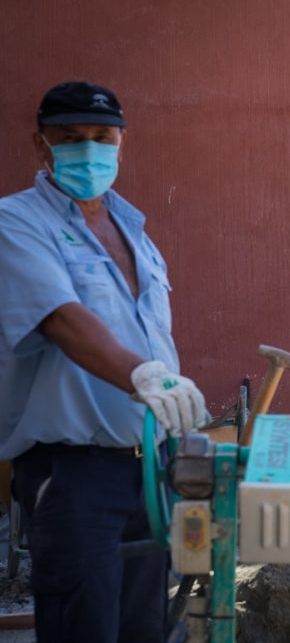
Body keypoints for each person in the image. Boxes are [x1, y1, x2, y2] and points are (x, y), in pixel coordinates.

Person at [0, 81, 210, 643]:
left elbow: (151, 335)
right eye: (70, 139)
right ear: (41, 147)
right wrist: (144, 376)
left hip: (149, 467)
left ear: (121, 143)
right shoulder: (16, 222)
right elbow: (61, 318)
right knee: (84, 627)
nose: (88, 151)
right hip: (73, 473)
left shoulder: (136, 233)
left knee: (143, 626)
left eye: (101, 137)